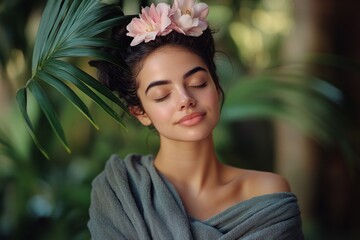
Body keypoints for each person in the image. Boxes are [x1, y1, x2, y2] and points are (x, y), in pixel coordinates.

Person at [88, 0, 304, 239]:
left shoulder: (268, 195)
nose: (185, 99)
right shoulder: (121, 193)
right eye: (162, 95)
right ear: (140, 112)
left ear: (216, 85)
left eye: (198, 83)